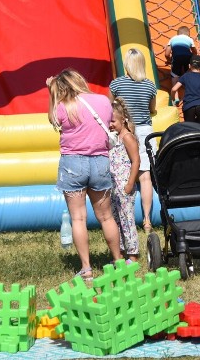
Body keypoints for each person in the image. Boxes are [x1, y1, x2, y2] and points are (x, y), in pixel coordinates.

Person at [46, 68, 123, 282]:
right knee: (106, 217)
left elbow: (53, 120)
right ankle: (118, 261)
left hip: (73, 164)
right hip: (100, 161)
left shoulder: (63, 106)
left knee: (78, 218)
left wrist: (50, 92)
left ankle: (87, 268)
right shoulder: (103, 101)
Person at [109, 49, 158, 233]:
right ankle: (146, 220)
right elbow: (152, 109)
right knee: (145, 176)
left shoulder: (116, 84)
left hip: (125, 130)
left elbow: (111, 109)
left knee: (121, 173)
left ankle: (122, 219)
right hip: (144, 130)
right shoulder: (149, 86)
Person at [108, 97, 141, 262]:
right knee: (115, 220)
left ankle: (133, 254)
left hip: (124, 186)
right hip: (114, 186)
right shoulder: (114, 138)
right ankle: (119, 252)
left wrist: (130, 183)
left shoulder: (127, 137)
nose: (110, 125)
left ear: (122, 120)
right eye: (108, 122)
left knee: (127, 220)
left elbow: (136, 161)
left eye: (113, 121)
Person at [171, 54, 200, 125]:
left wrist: (173, 99)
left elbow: (174, 89)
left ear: (189, 66)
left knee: (190, 128)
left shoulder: (185, 76)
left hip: (188, 107)